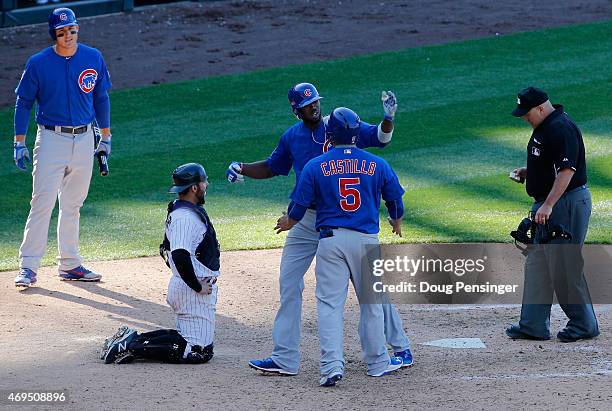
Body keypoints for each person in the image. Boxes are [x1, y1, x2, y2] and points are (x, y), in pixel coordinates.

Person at [229, 83, 412, 375]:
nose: (313, 107)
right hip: (306, 219)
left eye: (315, 102)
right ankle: (285, 357)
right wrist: (241, 167)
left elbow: (380, 138)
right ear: (296, 110)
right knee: (289, 282)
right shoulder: (292, 137)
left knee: (370, 288)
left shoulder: (340, 123)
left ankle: (399, 345)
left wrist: (389, 118)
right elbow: (273, 167)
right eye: (307, 105)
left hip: (336, 219)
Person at [276, 107, 406, 386]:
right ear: (357, 133)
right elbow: (394, 200)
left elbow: (299, 208)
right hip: (366, 242)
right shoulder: (377, 164)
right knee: (371, 304)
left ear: (330, 134)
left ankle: (331, 367)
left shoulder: (315, 166)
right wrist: (396, 222)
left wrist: (288, 221)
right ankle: (378, 362)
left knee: (329, 306)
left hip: (330, 242)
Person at [13, 7, 112, 287]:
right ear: (53, 35)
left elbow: (101, 97)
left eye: (71, 30)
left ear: (77, 29)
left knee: (73, 205)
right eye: (61, 32)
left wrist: (105, 137)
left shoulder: (93, 57)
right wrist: (19, 141)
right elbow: (23, 103)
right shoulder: (38, 63)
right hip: (51, 140)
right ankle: (28, 267)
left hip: (84, 140)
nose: (67, 36)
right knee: (42, 203)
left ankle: (70, 264)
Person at [506, 86, 599, 343]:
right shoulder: (546, 127)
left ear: (540, 108)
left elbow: (567, 171)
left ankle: (584, 324)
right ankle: (533, 324)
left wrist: (548, 205)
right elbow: (553, 163)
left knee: (564, 265)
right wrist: (531, 172)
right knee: (537, 264)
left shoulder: (560, 128)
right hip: (551, 203)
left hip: (564, 204)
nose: (524, 118)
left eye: (527, 113)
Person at [101, 163, 219, 364]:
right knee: (196, 351)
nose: (206, 184)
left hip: (188, 284)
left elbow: (166, 251)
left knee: (192, 341)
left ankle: (132, 339)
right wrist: (196, 285)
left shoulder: (181, 211)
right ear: (194, 188)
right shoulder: (185, 218)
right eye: (203, 181)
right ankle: (130, 345)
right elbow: (180, 255)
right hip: (192, 288)